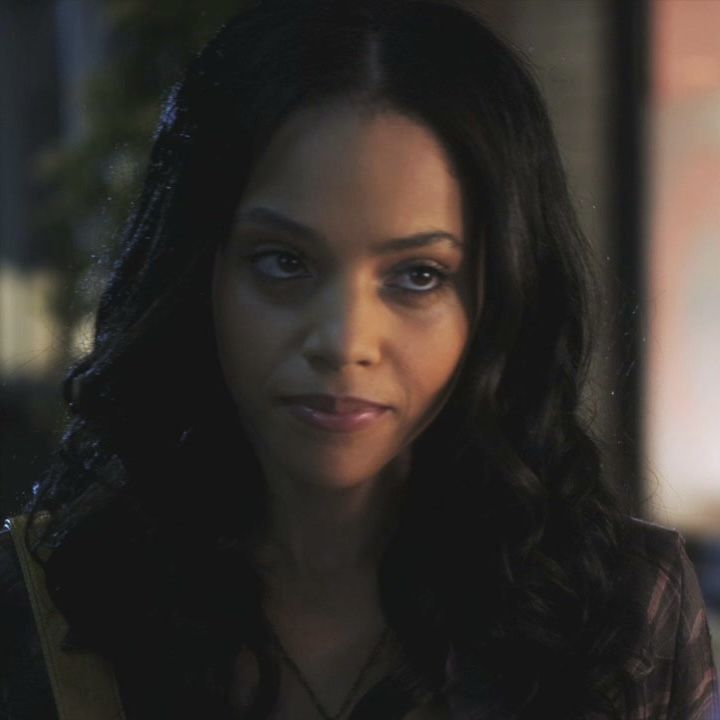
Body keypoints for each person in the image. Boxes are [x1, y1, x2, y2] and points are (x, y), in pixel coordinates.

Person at [1, 0, 718, 718]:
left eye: (418, 276)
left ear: (499, 297)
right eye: (284, 262)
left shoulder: (620, 611)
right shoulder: (62, 602)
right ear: (201, 270)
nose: (344, 343)